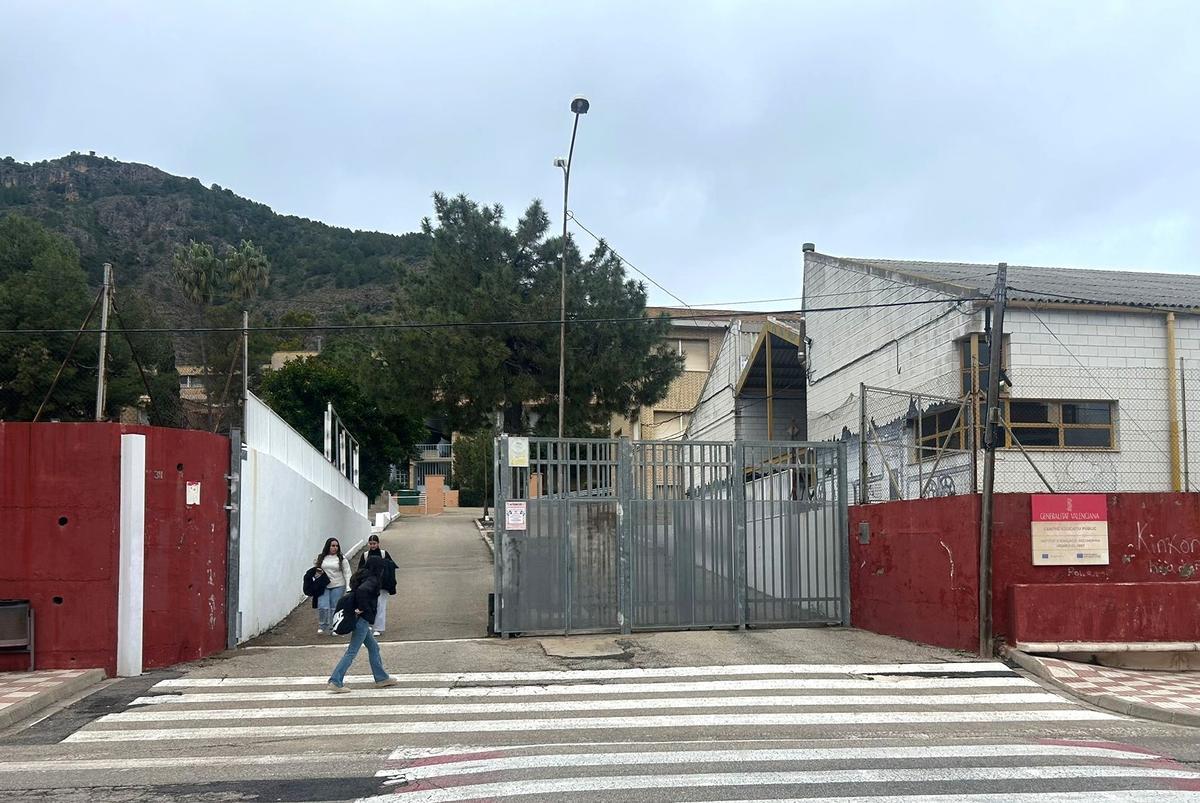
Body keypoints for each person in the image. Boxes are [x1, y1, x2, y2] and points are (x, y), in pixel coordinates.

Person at [327, 555, 398, 693]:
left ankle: (382, 678)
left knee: (374, 648)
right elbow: (362, 591)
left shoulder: (362, 576)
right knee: (352, 652)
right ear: (377, 567)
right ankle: (335, 680)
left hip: (361, 620)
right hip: (362, 620)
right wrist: (363, 608)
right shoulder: (372, 579)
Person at [357, 534, 397, 636]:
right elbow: (360, 570)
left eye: (374, 543)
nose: (373, 546)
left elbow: (391, 567)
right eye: (371, 544)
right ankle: (370, 624)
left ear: (378, 543)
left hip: (382, 585)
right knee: (370, 605)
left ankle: (378, 628)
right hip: (369, 584)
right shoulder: (365, 555)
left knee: (380, 605)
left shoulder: (384, 554)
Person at [313, 537, 351, 635]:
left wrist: (348, 586)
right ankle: (323, 625)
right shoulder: (321, 557)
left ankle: (334, 627)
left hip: (338, 585)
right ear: (328, 546)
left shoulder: (341, 558)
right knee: (323, 606)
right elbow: (315, 570)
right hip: (323, 585)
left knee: (335, 607)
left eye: (336, 546)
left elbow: (347, 572)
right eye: (332, 546)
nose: (335, 548)